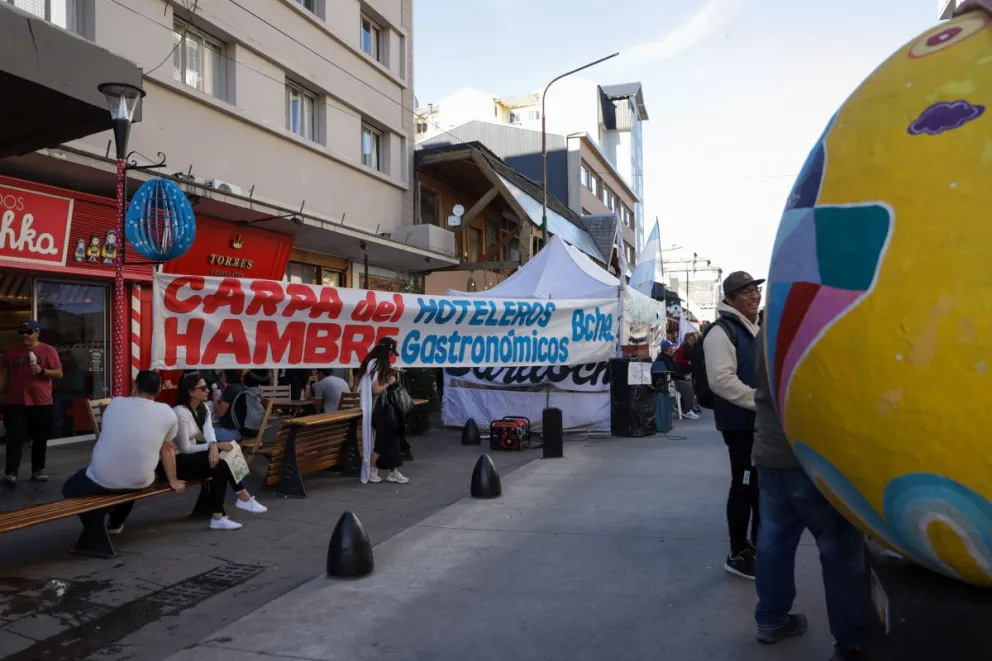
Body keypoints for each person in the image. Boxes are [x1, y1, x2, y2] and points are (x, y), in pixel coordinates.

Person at [752, 327, 872, 660]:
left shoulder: (767, 328)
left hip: (771, 451)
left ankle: (771, 620)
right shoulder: (821, 320)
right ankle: (851, 639)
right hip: (813, 454)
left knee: (773, 539)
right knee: (840, 547)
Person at [61, 371, 185, 535]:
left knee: (69, 487)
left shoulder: (115, 403)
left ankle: (95, 523)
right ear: (159, 390)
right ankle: (116, 521)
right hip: (140, 480)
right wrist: (173, 480)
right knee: (131, 476)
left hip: (101, 478)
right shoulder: (168, 412)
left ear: (135, 386)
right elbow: (168, 449)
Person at [703, 271, 763, 579]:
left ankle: (757, 548)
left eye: (755, 289)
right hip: (740, 426)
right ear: (730, 299)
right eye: (746, 292)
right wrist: (760, 400)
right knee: (743, 487)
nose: (754, 296)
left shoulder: (751, 327)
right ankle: (738, 552)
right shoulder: (722, 332)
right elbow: (722, 381)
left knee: (757, 488)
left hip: (757, 424)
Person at [173, 372, 266, 516]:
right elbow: (185, 447)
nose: (208, 391)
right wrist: (213, 446)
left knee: (225, 455)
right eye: (203, 388)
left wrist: (214, 445)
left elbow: (209, 432)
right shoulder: (180, 412)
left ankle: (223, 511)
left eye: (207, 387)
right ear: (191, 392)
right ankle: (236, 501)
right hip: (178, 460)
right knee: (220, 464)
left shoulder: (203, 408)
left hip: (193, 455)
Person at [1, 319, 63, 485]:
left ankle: (37, 470)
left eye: (29, 332)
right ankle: (11, 472)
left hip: (41, 401)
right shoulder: (11, 351)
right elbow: (3, 374)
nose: (25, 336)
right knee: (15, 436)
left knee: (40, 438)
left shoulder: (48, 350)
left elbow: (59, 373)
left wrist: (41, 371)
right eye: (22, 332)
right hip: (15, 401)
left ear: (37, 333)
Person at [358, 338, 409, 485]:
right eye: (391, 352)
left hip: (377, 407)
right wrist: (389, 382)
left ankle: (392, 471)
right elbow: (376, 389)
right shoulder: (377, 364)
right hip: (378, 407)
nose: (391, 356)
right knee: (386, 437)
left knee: (389, 436)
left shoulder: (371, 363)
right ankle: (372, 468)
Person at [656, 340, 699, 420]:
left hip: (671, 379)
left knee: (689, 382)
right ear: (667, 349)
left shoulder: (667, 357)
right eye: (672, 347)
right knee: (688, 387)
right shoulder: (664, 358)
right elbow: (672, 373)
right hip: (669, 382)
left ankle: (685, 407)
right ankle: (686, 411)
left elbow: (675, 371)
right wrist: (683, 377)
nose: (673, 348)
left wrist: (684, 376)